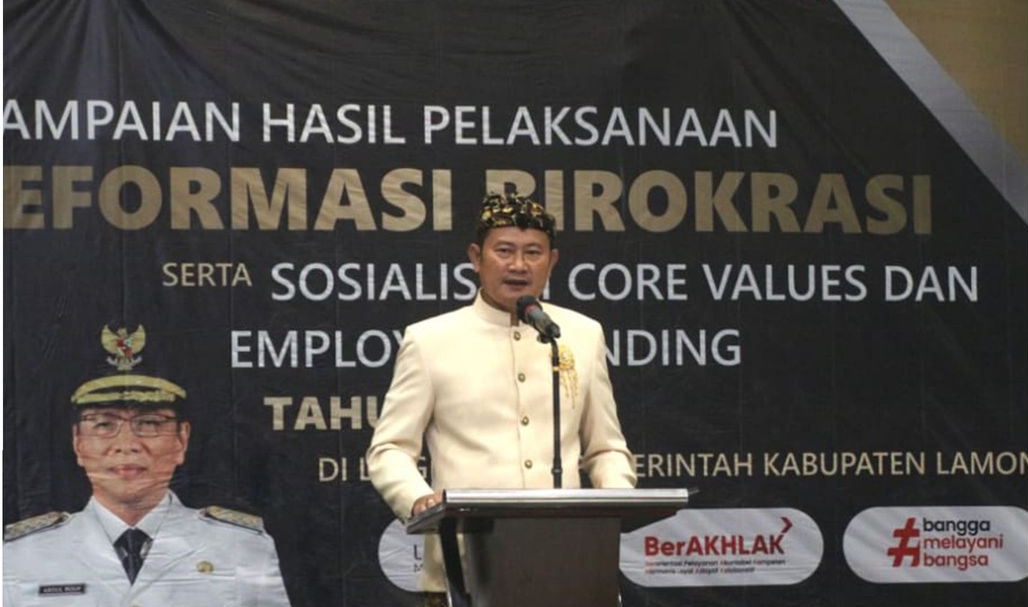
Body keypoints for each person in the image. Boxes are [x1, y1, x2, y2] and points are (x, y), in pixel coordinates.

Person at [366, 192, 637, 599]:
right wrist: (419, 499)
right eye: (505, 251)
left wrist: (612, 504)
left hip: (568, 563)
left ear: (552, 261)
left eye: (533, 252)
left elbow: (606, 448)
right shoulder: (430, 340)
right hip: (465, 565)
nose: (519, 265)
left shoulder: (581, 334)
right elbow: (389, 449)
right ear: (476, 258)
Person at [3, 326, 292, 607]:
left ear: (181, 440)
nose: (127, 444)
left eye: (150, 423)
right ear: (78, 442)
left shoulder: (241, 546)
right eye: (104, 424)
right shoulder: (23, 554)